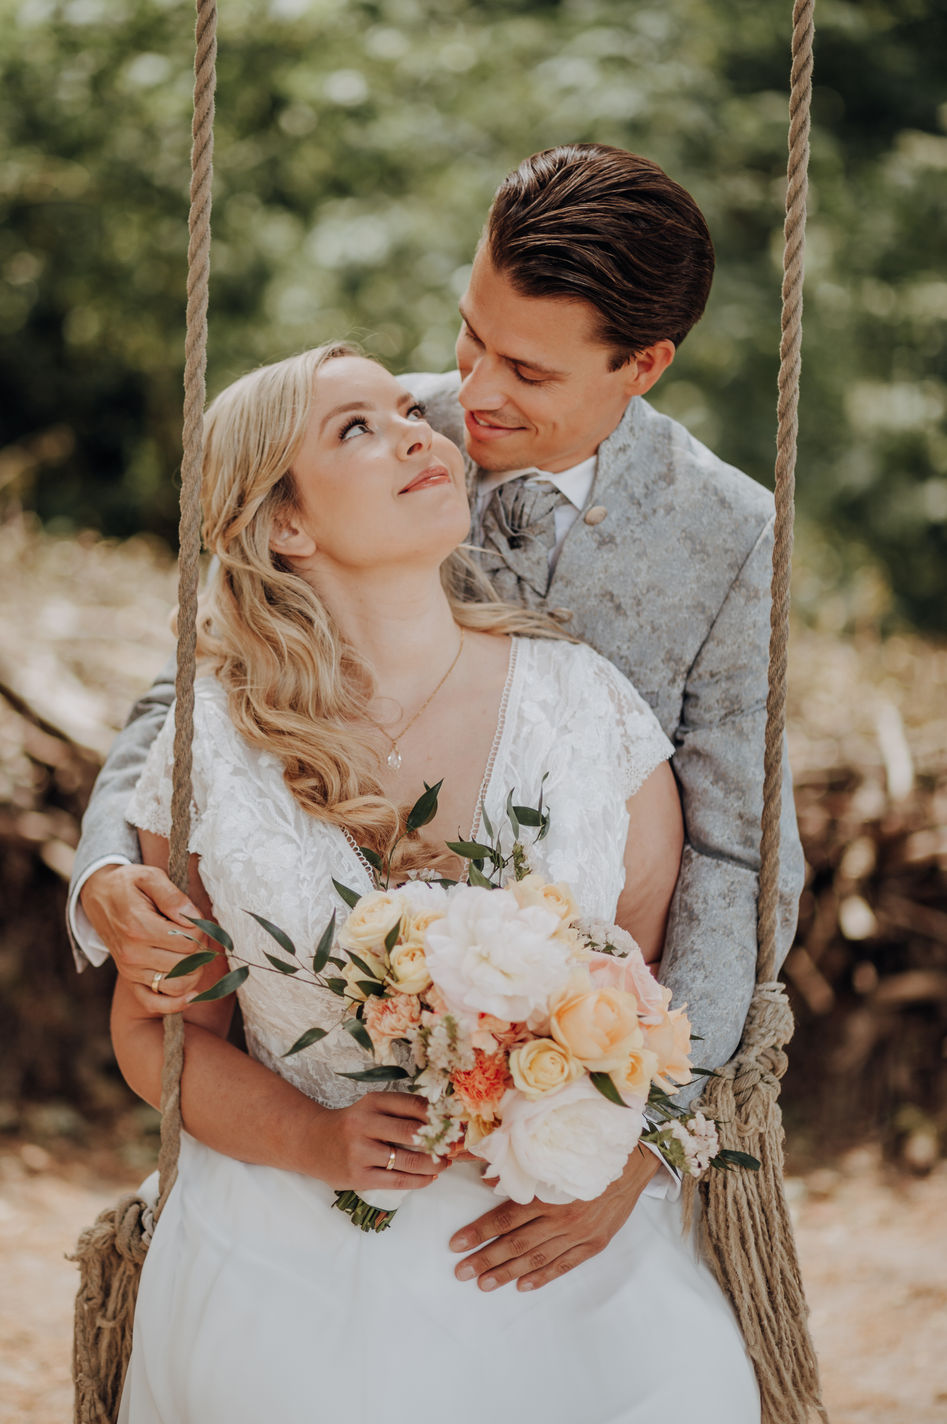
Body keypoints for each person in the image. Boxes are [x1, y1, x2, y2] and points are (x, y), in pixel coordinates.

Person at [70, 143, 804, 1287]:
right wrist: (106, 863)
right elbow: (203, 676)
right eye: (469, 332)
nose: (470, 394)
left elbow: (738, 854)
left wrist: (635, 1132)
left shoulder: (730, 536)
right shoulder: (372, 431)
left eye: (525, 370)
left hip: (569, 1074)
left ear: (642, 365)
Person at [112, 343, 760, 1422]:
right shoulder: (210, 748)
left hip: (550, 1227)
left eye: (406, 412)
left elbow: (652, 999)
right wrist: (312, 1139)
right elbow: (163, 1036)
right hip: (289, 1228)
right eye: (355, 428)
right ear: (286, 523)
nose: (421, 431)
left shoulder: (589, 712)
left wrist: (593, 1140)